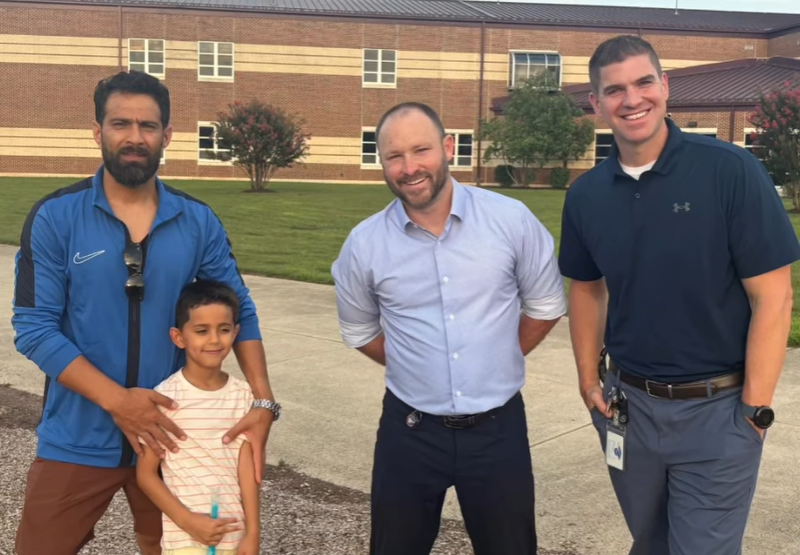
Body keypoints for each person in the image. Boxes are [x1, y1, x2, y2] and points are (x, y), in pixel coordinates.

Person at [12, 70, 280, 555]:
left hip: (174, 437)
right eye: (120, 124)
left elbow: (242, 312)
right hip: (77, 433)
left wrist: (262, 402)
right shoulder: (56, 216)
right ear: (98, 132)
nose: (135, 137)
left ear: (166, 136)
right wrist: (118, 402)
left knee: (187, 549)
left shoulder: (196, 220)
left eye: (148, 126)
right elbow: (34, 328)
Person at [558, 34, 800, 555]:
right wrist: (585, 379)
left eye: (644, 82)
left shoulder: (730, 171)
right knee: (650, 542)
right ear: (597, 104)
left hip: (717, 411)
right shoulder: (586, 195)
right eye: (615, 90)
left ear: (665, 87)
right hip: (627, 409)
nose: (633, 99)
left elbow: (774, 299)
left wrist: (754, 413)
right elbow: (586, 287)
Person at [331, 101, 567, 555]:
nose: (409, 167)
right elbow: (361, 330)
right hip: (410, 430)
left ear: (448, 147)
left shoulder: (510, 219)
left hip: (498, 430)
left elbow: (545, 305)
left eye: (420, 150)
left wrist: (499, 355)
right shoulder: (364, 244)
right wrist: (419, 364)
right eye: (394, 156)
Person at [136, 279, 261, 555]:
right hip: (185, 539)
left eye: (224, 330)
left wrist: (252, 533)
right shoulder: (165, 399)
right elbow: (145, 475)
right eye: (202, 331)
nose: (214, 340)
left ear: (236, 332)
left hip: (234, 536)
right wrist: (187, 520)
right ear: (179, 337)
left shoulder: (242, 397)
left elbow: (248, 471)